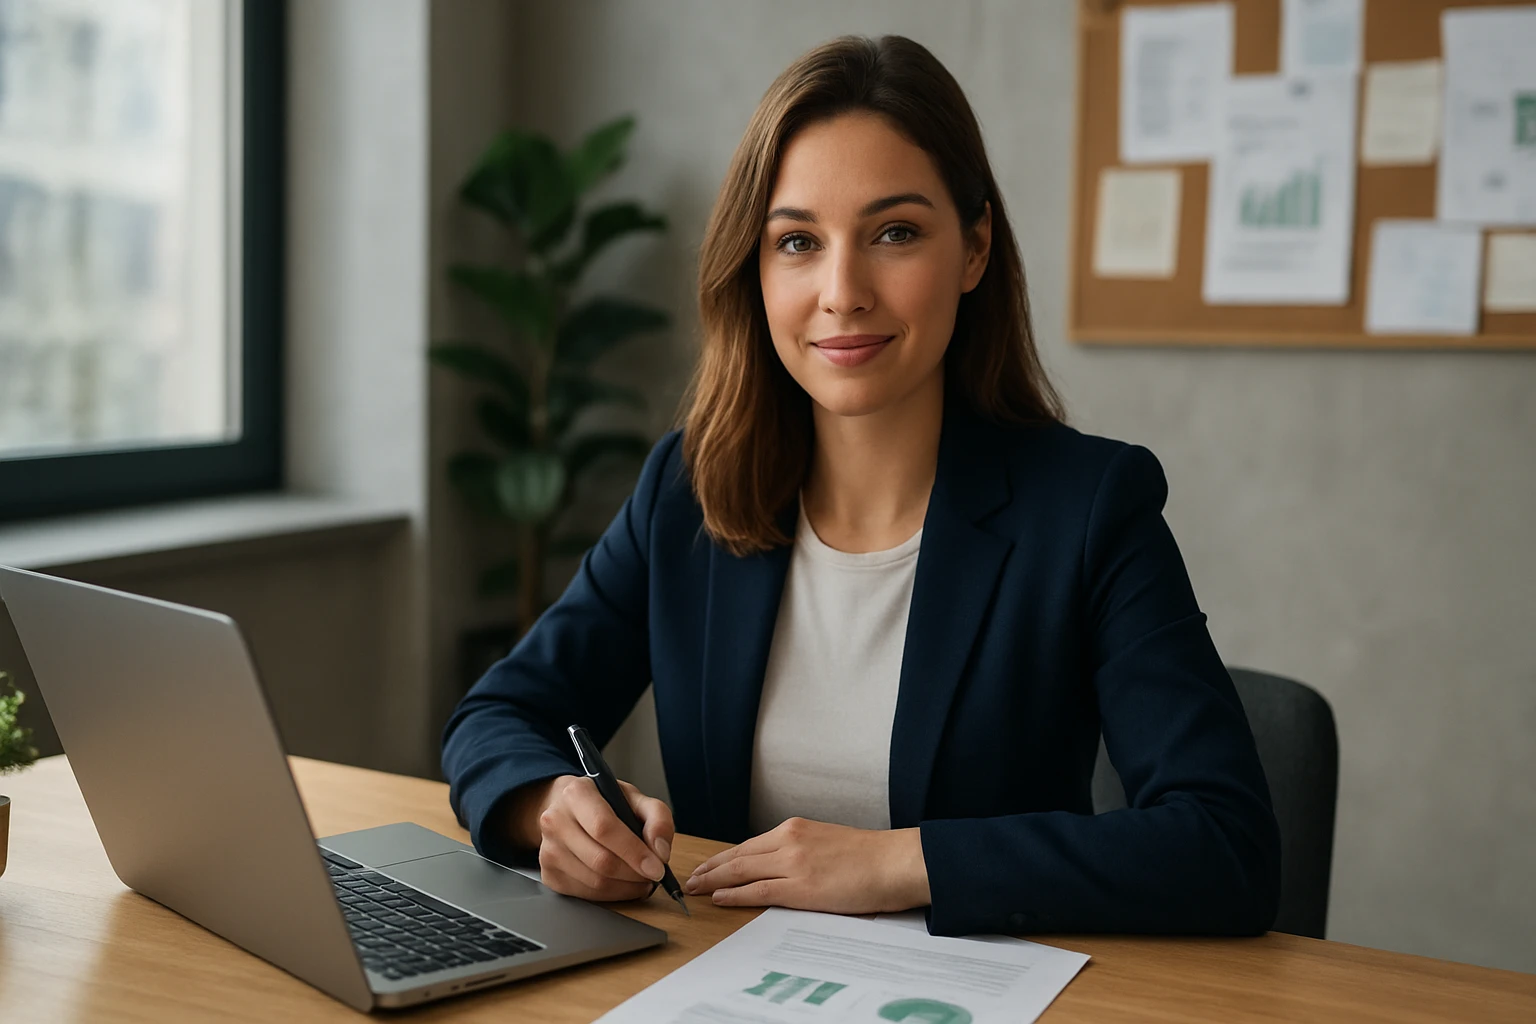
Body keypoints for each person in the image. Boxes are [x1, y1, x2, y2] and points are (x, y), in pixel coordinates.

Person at [442, 34, 1280, 937]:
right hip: (730, 988)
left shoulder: (1088, 507)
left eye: (895, 233)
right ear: (754, 271)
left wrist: (898, 861)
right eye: (797, 242)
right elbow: (500, 713)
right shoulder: (687, 489)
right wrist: (547, 808)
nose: (842, 291)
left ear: (974, 248)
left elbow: (1223, 844)